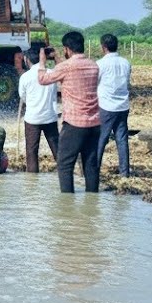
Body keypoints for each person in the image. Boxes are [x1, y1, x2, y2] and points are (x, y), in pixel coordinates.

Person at [38, 30, 101, 193]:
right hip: (94, 122)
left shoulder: (65, 67)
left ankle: (67, 201)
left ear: (67, 49)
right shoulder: (93, 65)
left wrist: (42, 62)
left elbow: (42, 79)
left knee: (64, 164)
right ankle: (92, 199)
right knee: (90, 163)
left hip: (74, 123)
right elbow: (69, 70)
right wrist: (58, 58)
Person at [18, 45, 59, 173]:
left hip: (32, 119)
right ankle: (64, 175)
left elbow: (23, 97)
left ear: (27, 60)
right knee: (57, 150)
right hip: (50, 117)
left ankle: (32, 181)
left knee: (31, 152)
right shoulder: (51, 73)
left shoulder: (25, 77)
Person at [96, 34, 133, 178]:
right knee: (122, 139)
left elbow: (95, 83)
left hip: (106, 106)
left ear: (104, 47)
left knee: (101, 139)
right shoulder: (126, 62)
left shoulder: (100, 64)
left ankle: (95, 169)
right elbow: (127, 82)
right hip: (122, 105)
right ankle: (124, 172)